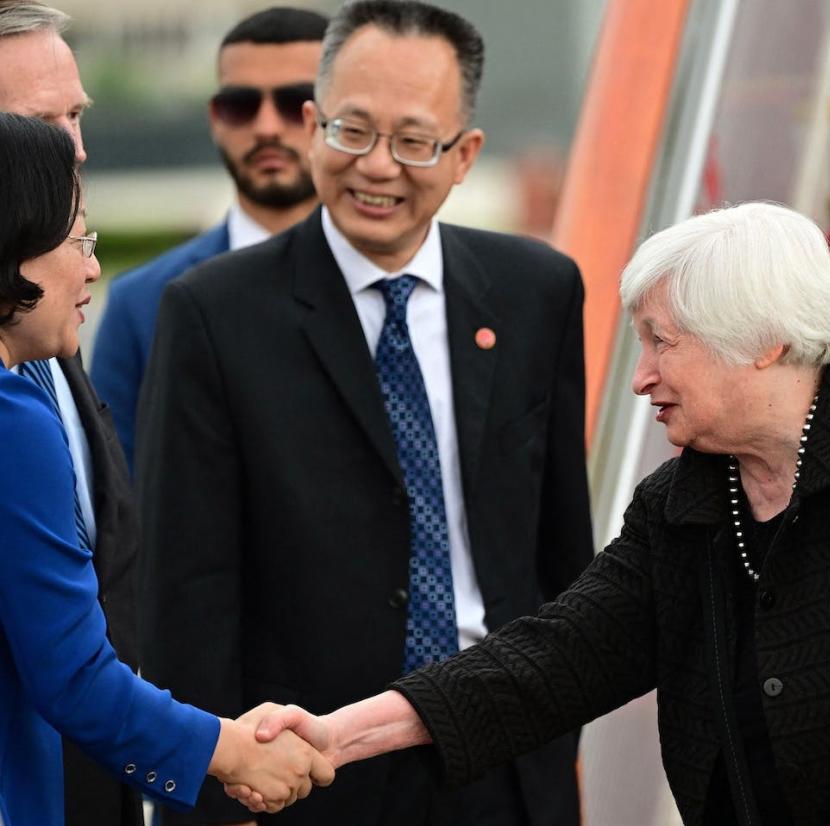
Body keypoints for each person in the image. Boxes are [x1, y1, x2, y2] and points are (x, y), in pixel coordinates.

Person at [236, 202, 830, 825]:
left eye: (664, 341)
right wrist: (337, 734)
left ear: (762, 339)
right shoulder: (686, 500)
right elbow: (553, 662)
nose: (641, 376)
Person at [137, 1, 593, 824]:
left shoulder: (538, 293)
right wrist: (208, 799)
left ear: (464, 156)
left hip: (503, 762)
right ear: (313, 126)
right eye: (352, 131)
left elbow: (564, 561)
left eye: (414, 141)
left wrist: (555, 745)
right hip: (307, 772)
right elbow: (187, 591)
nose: (377, 167)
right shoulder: (214, 315)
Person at [0, 112, 335, 826]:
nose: (91, 266)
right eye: (76, 237)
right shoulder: (13, 414)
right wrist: (235, 752)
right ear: (15, 243)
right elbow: (74, 676)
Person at [0, 4, 143, 823]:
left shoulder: (42, 302)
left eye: (76, 116)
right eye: (40, 124)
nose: (75, 147)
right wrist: (218, 754)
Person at [91, 6, 327, 471]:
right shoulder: (141, 305)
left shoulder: (392, 283)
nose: (266, 127)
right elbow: (122, 502)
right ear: (215, 117)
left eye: (295, 102)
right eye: (241, 104)